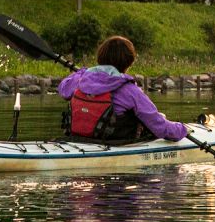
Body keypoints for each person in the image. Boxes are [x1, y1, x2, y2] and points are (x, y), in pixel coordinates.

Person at [58, 36, 188, 143]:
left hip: (78, 140)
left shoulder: (80, 79)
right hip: (116, 144)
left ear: (100, 57)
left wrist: (82, 72)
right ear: (129, 62)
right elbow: (160, 127)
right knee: (160, 117)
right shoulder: (130, 90)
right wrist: (183, 129)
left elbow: (63, 89)